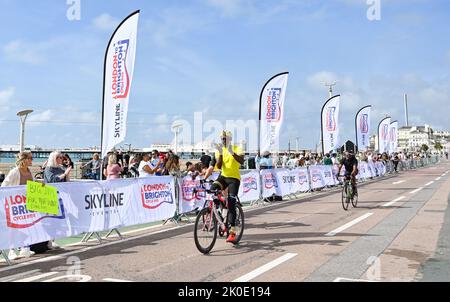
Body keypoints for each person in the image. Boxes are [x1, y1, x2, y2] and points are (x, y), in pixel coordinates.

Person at [210, 131, 244, 243]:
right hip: (223, 177)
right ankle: (222, 211)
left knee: (231, 203)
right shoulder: (220, 150)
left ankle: (233, 231)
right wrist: (220, 153)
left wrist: (232, 152)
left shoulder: (237, 148)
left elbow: (242, 161)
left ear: (230, 139)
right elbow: (219, 166)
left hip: (234, 179)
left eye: (225, 139)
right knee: (212, 189)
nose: (223, 141)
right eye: (222, 139)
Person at [1, 152, 36, 259]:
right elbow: (4, 186)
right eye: (30, 158)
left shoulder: (30, 171)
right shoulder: (15, 172)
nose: (32, 160)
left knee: (26, 225)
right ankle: (11, 250)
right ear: (24, 160)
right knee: (13, 227)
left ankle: (24, 248)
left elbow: (32, 184)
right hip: (14, 204)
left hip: (26, 203)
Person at [41, 151, 70, 252]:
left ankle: (52, 240)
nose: (62, 159)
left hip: (59, 196)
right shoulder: (49, 169)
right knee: (49, 220)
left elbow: (66, 182)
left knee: (57, 220)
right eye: (59, 157)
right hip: (50, 196)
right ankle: (47, 241)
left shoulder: (60, 168)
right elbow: (53, 180)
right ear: (54, 158)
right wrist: (64, 174)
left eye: (62, 157)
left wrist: (67, 174)